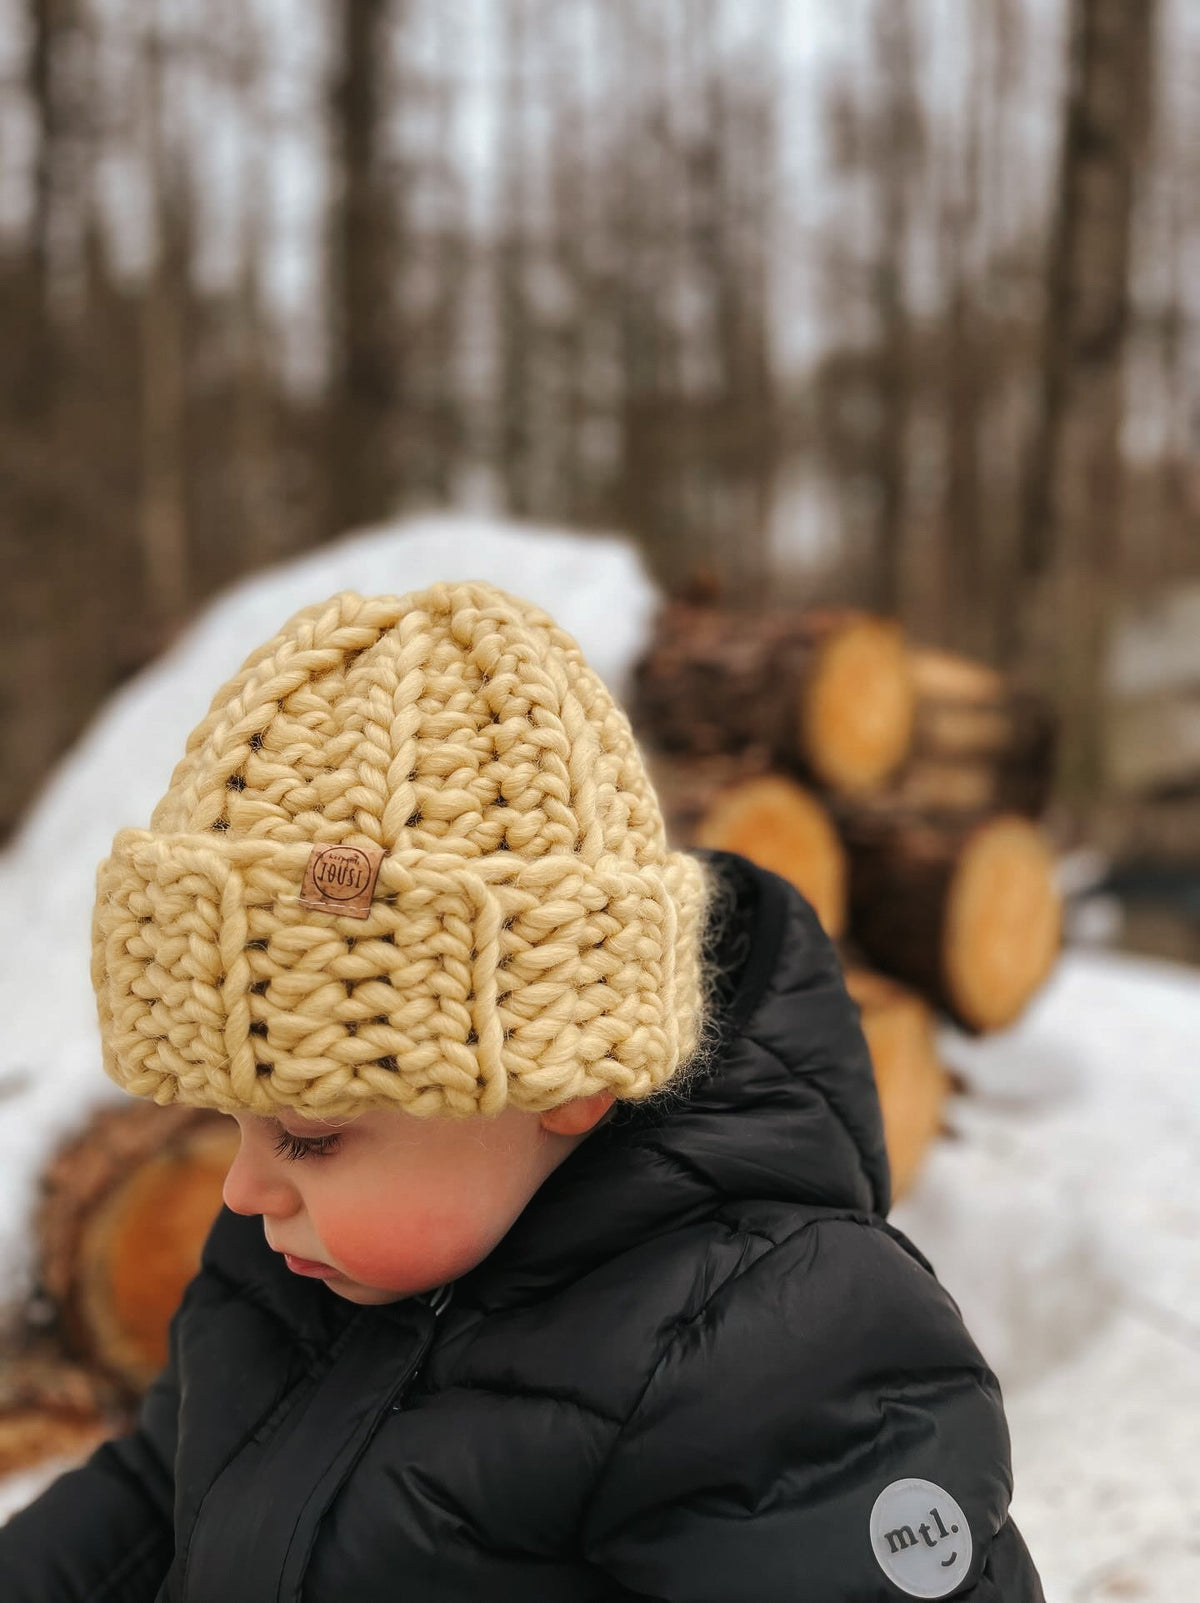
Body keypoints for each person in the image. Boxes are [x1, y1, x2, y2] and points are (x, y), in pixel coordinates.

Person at [0, 580, 1045, 1601]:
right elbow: (161, 1499)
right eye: (229, 1121)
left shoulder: (780, 1354)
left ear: (565, 1080)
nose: (239, 1189)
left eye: (310, 1134)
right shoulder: (291, 1273)